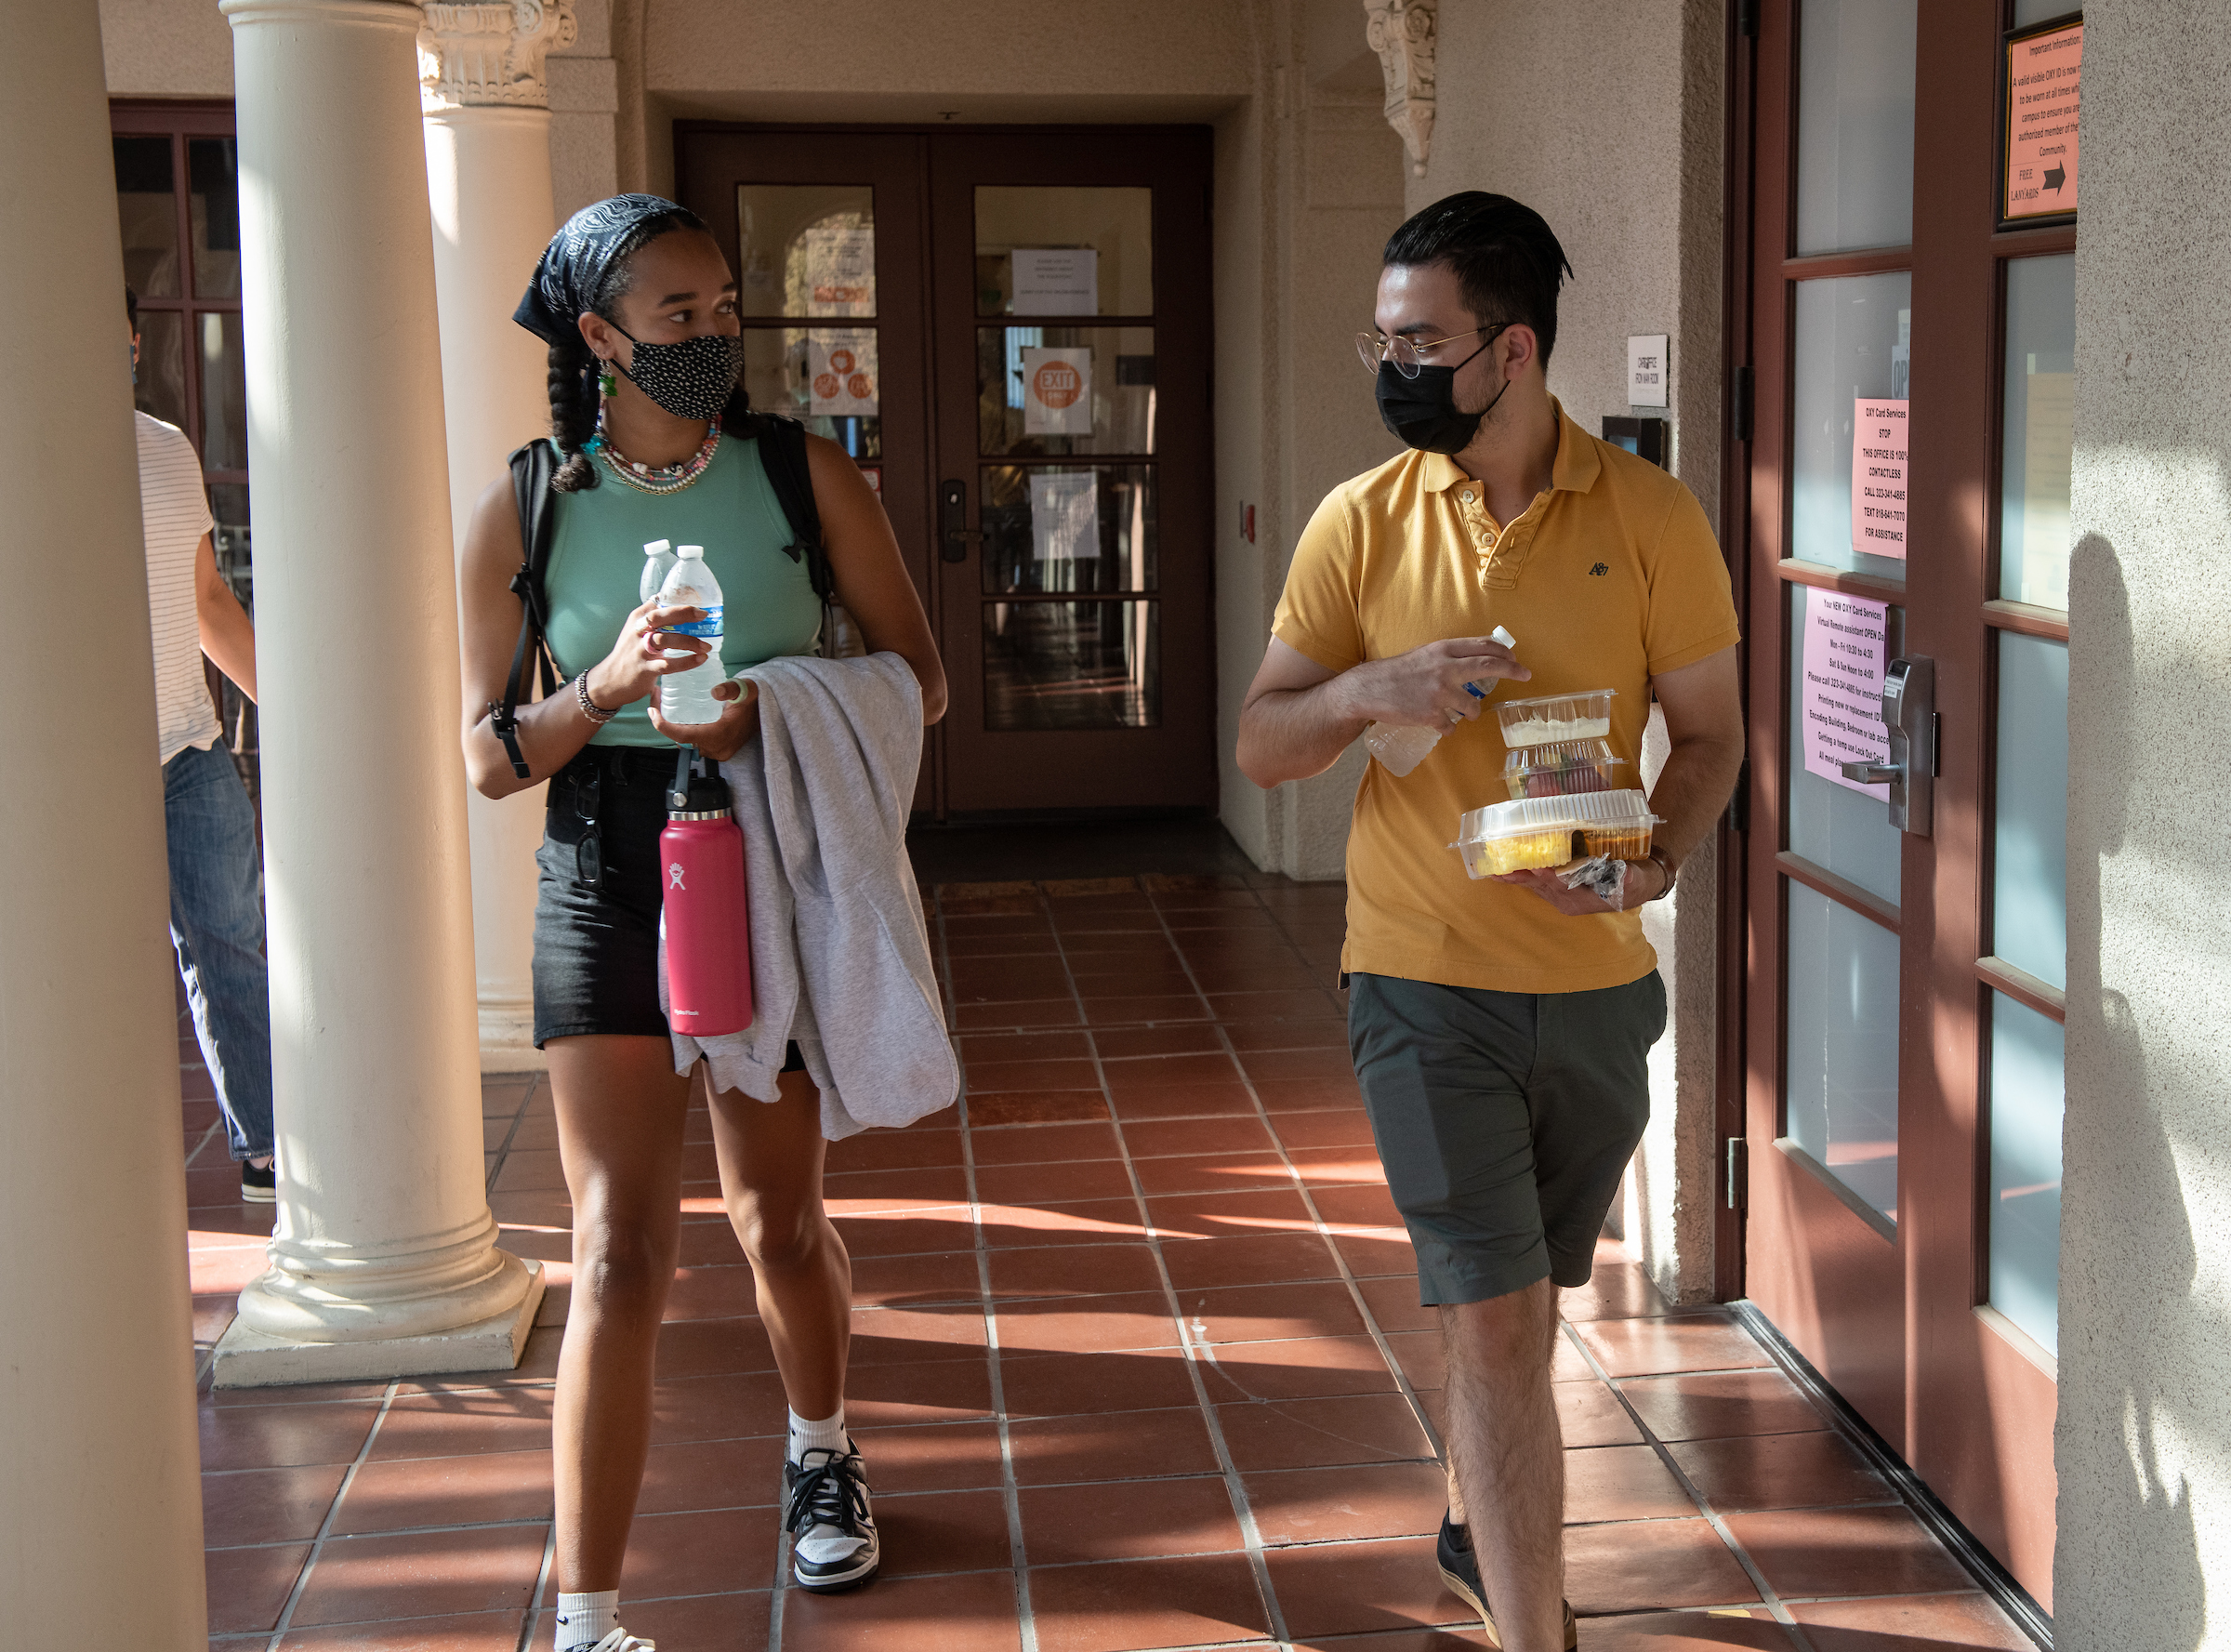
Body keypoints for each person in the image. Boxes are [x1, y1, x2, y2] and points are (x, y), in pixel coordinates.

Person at [1235, 192, 1745, 1652]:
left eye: (1419, 340)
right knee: (1506, 1322)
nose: (1390, 364)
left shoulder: (1649, 518)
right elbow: (1263, 742)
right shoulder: (1360, 519)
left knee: (1513, 1311)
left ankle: (1474, 1505)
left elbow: (1709, 734)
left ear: (1511, 351)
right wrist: (1362, 693)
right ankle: (1537, 1630)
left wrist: (1653, 854)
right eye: (1380, 338)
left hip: (1595, 989)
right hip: (1419, 978)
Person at [456, 196, 946, 1652]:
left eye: (728, 307)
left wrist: (770, 711)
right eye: (680, 316)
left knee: (778, 1222)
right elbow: (488, 754)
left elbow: (917, 678)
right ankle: (588, 1618)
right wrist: (603, 683)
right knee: (614, 1252)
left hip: (763, 847)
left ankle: (823, 1450)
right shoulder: (534, 500)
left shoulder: (802, 475)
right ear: (599, 339)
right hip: (603, 868)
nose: (716, 334)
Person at [128, 286, 277, 1203]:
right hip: (75, 768)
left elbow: (209, 602)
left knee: (234, 941)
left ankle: (266, 1146)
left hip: (188, 745)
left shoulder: (165, 446)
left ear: (135, 341)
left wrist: (297, 719)